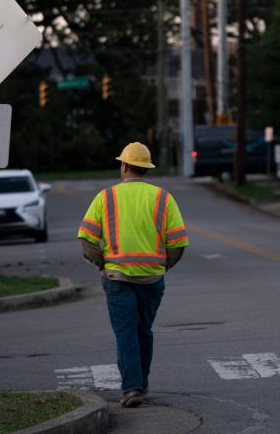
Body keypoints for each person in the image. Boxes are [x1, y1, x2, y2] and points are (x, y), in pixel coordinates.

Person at [77, 142, 188, 408]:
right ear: (145, 169)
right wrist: (163, 266)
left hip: (118, 279)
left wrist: (102, 263)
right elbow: (178, 243)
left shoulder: (106, 197)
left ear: (125, 166)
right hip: (152, 279)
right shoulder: (163, 198)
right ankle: (141, 383)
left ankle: (132, 387)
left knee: (126, 333)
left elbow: (86, 239)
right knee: (144, 331)